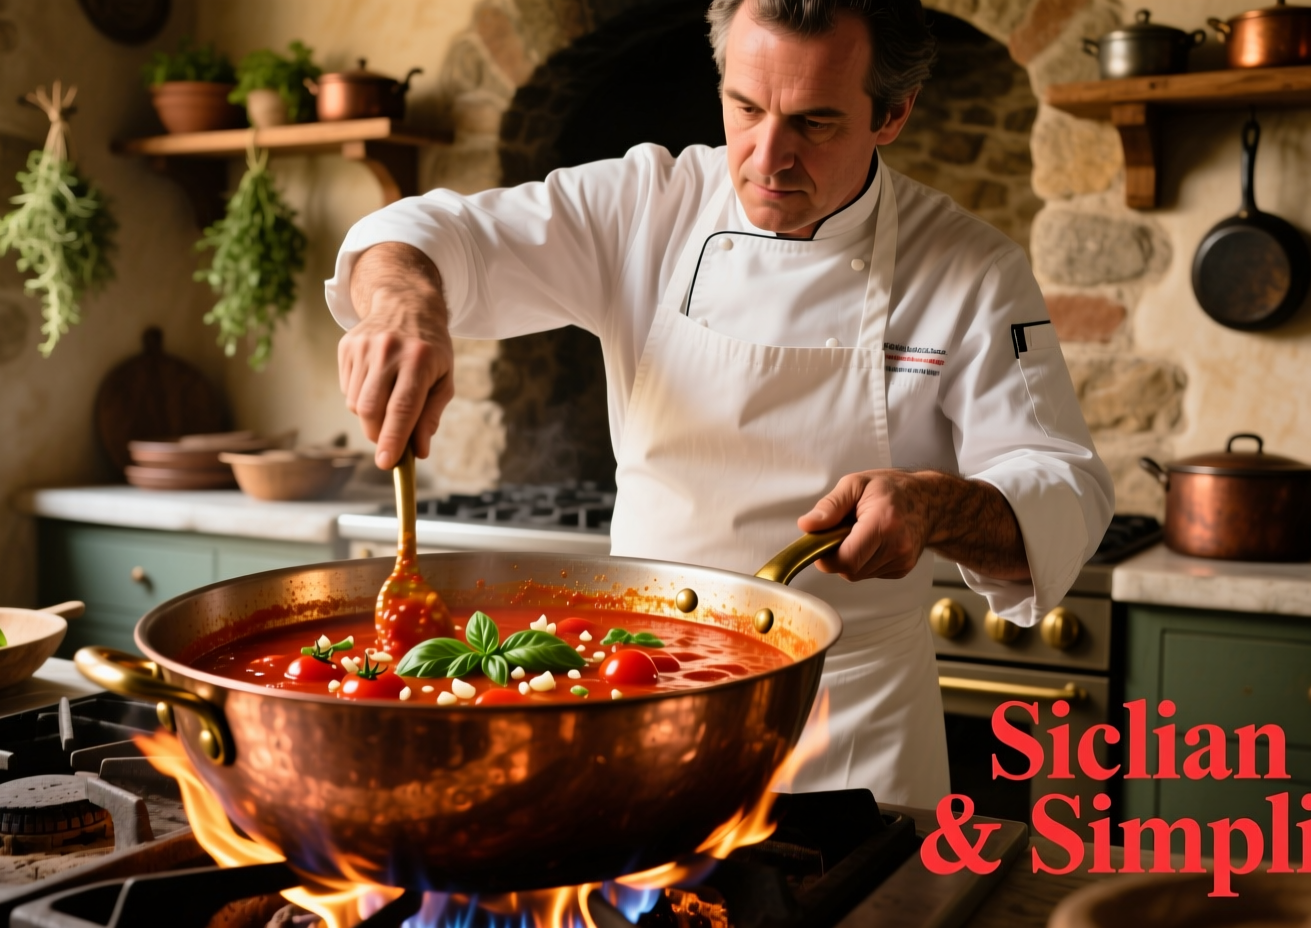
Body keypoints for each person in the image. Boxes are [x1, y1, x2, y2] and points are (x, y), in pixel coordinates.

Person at [325, 0, 1113, 808]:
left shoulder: (972, 271)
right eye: (745, 107)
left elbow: (1064, 487)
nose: (768, 157)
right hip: (641, 689)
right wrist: (405, 306)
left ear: (894, 113)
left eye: (814, 123)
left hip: (849, 730)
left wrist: (937, 506)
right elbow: (425, 233)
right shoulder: (645, 207)